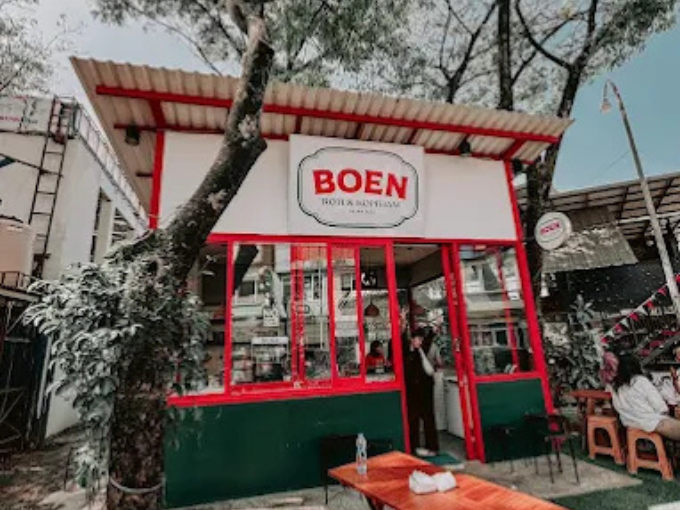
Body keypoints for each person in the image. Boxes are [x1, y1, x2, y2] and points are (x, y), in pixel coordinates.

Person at [611, 354, 680, 440]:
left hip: (630, 424)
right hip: (652, 424)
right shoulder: (640, 381)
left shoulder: (615, 387)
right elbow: (661, 407)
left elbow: (617, 407)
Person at [404, 328, 439, 456]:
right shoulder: (409, 352)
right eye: (417, 339)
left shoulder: (421, 351)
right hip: (415, 391)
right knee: (414, 419)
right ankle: (415, 446)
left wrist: (433, 332)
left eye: (421, 339)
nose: (419, 342)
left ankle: (431, 446)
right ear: (412, 340)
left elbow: (428, 341)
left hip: (423, 391)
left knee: (427, 418)